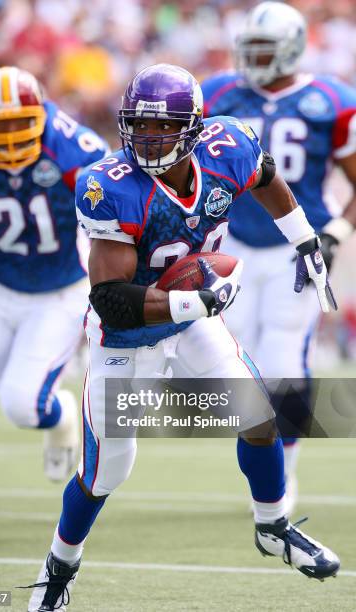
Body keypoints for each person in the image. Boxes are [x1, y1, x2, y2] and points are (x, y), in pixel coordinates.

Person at [24, 63, 340, 611]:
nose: (149, 138)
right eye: (139, 126)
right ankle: (59, 566)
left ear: (194, 127)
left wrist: (305, 239)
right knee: (105, 474)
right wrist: (198, 300)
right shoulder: (111, 186)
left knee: (260, 416)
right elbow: (111, 301)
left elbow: (265, 179)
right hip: (126, 338)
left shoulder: (229, 146)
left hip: (192, 320)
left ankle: (272, 525)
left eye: (164, 127)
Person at [201, 1, 356, 514]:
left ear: (290, 48)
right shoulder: (221, 92)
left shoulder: (331, 100)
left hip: (297, 245)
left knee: (284, 362)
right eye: (250, 47)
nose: (254, 58)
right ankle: (263, 465)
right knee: (229, 364)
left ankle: (282, 476)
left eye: (264, 48)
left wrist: (334, 231)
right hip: (235, 243)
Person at [0, 66, 109, 543]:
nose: (10, 135)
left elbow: (114, 219)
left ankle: (60, 418)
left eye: (19, 123)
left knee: (22, 405)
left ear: (41, 116)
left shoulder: (74, 150)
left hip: (60, 288)